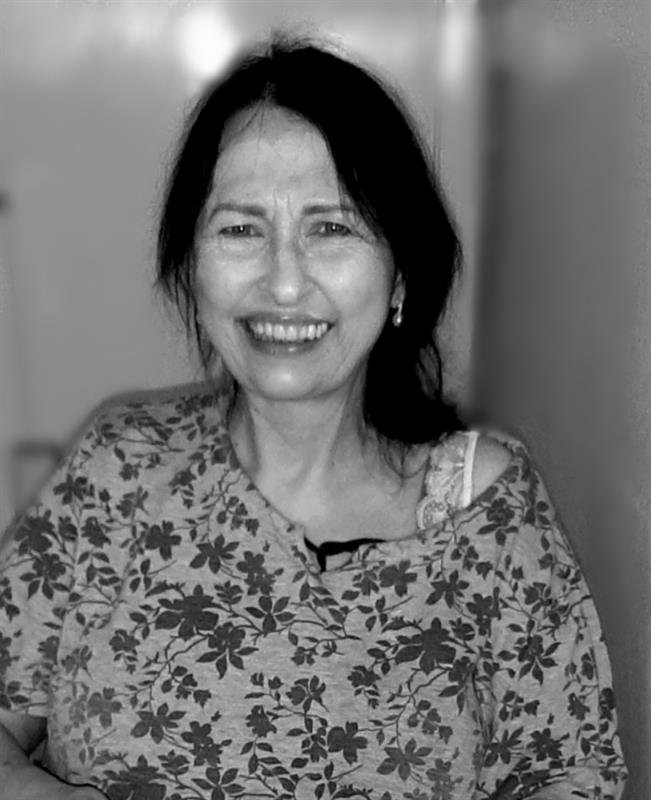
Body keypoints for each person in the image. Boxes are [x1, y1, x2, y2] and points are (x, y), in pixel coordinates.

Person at [0, 36, 627, 800]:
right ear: (191, 265)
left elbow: (570, 774)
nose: (284, 282)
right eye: (240, 229)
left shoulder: (483, 508)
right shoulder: (118, 467)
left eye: (331, 228)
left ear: (400, 275)